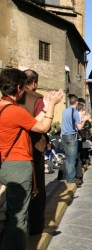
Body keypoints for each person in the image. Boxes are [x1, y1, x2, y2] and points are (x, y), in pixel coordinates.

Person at [0, 68, 63, 250]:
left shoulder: (4, 108)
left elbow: (31, 122)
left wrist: (45, 105)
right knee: (17, 218)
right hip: (18, 166)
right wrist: (51, 105)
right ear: (19, 88)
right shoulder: (15, 111)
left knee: (7, 213)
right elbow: (43, 127)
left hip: (4, 164)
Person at [16, 69, 48, 236]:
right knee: (36, 187)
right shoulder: (37, 99)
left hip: (13, 151)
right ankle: (36, 225)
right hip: (33, 147)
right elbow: (43, 125)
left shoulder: (13, 97)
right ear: (34, 82)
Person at [61, 94, 91, 184]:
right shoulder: (75, 112)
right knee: (72, 158)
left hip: (64, 136)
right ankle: (71, 179)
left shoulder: (65, 111)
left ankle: (68, 177)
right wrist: (85, 119)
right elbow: (79, 127)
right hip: (71, 136)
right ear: (77, 103)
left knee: (67, 157)